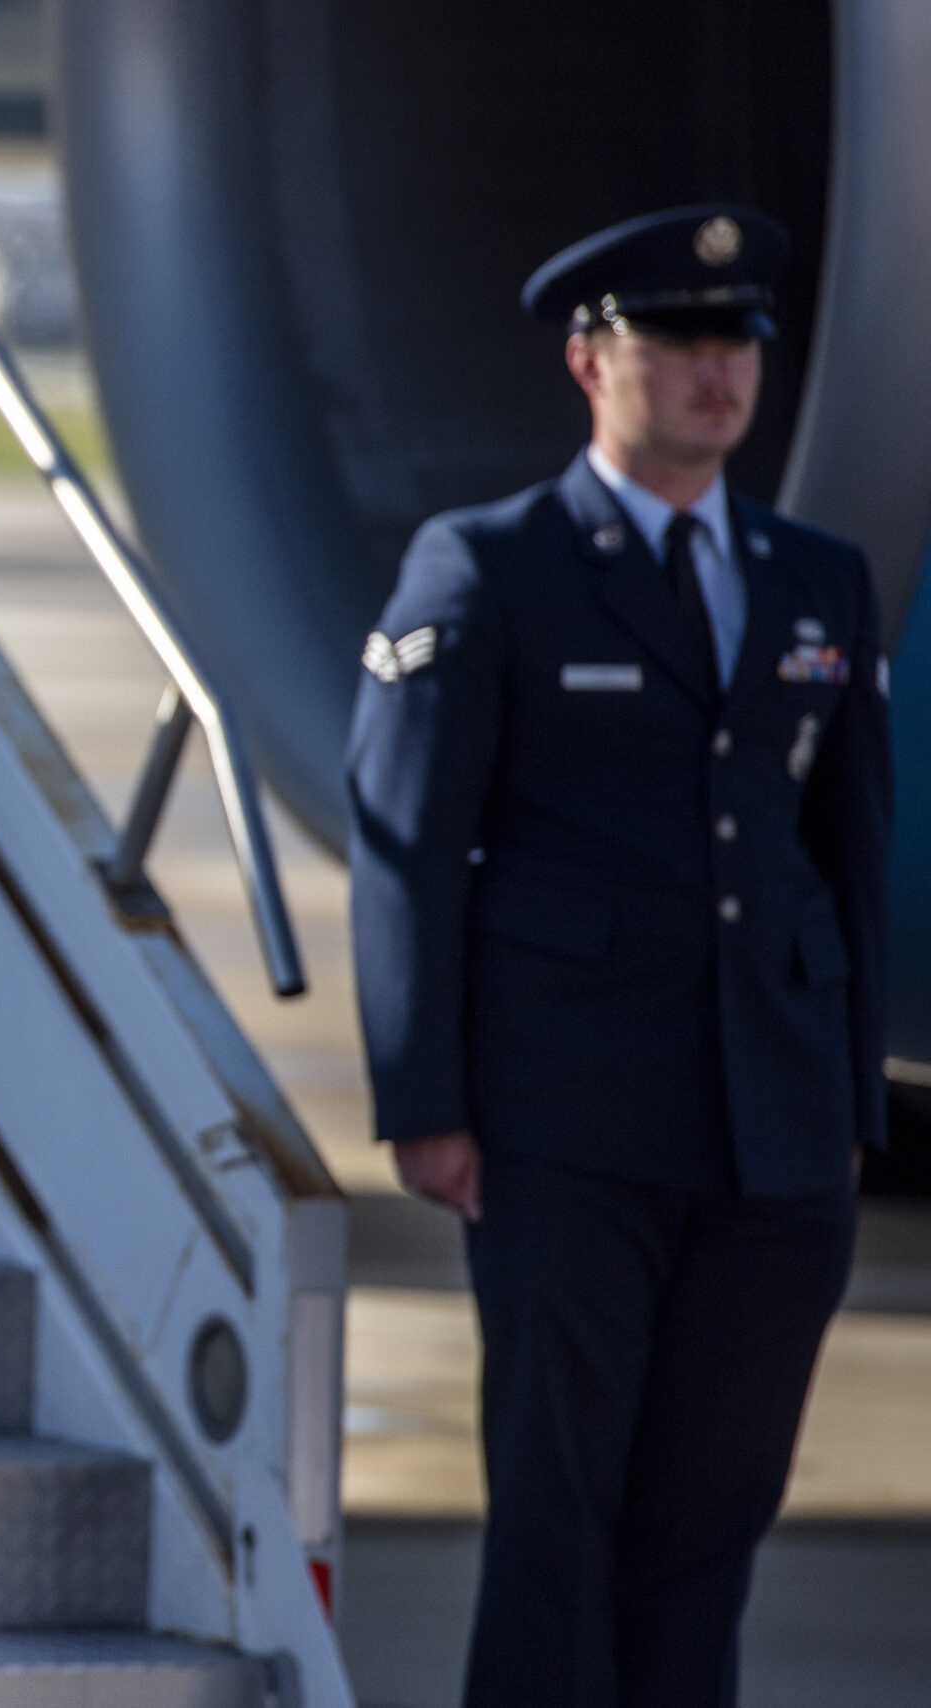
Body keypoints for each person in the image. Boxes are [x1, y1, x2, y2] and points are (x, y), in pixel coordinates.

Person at [349, 204, 890, 1706]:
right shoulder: (490, 566)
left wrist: (850, 1110)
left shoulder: (813, 580)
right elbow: (404, 849)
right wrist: (426, 1105)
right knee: (556, 1521)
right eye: (682, 342)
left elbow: (847, 855)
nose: (721, 374)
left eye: (741, 345)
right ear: (593, 361)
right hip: (565, 1128)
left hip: (772, 1140)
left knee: (709, 1531)